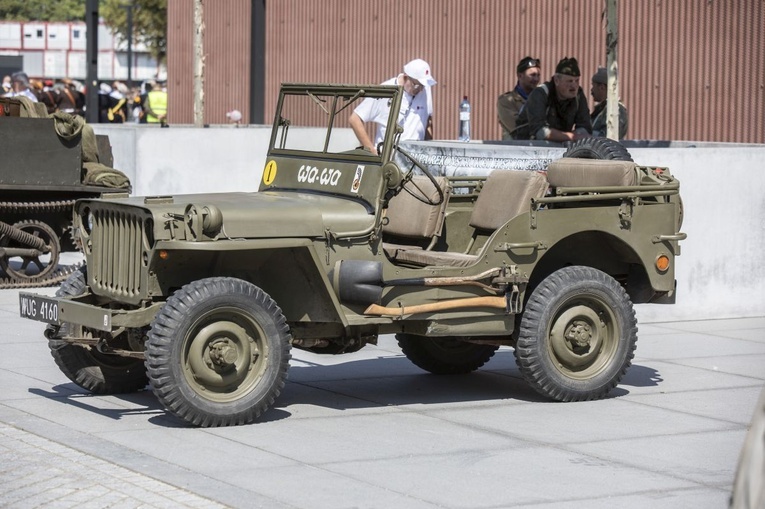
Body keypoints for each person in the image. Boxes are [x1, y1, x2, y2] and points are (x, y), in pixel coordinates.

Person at [349, 58, 437, 155]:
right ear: (405, 77)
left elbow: (428, 121)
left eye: (423, 85)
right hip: (389, 162)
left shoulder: (425, 89)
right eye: (417, 85)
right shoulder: (385, 90)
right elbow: (355, 119)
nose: (420, 90)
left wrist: (429, 153)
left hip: (415, 160)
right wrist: (371, 151)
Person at [513, 57, 592, 142]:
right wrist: (572, 137)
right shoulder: (541, 93)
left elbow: (585, 127)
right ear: (557, 80)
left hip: (560, 146)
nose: (574, 86)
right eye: (569, 81)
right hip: (528, 147)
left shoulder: (578, 95)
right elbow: (540, 131)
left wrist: (575, 136)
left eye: (577, 81)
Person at [497, 56, 541, 140]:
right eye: (532, 75)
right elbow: (517, 129)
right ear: (520, 75)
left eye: (538, 75)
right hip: (515, 151)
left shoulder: (543, 99)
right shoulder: (507, 101)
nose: (536, 79)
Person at [590, 67, 628, 139]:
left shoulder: (616, 110)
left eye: (593, 85)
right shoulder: (602, 109)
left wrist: (586, 136)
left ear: (601, 87)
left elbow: (609, 137)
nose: (591, 90)